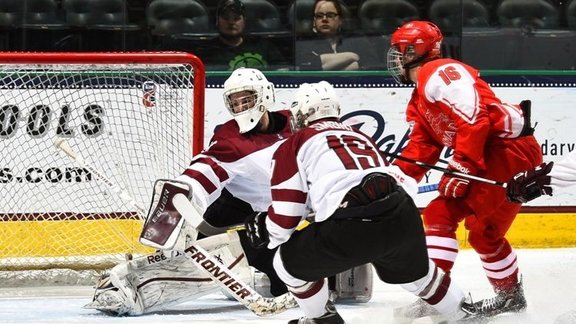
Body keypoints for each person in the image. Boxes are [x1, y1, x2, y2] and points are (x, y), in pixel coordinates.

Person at [86, 68, 371, 315]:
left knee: (344, 283)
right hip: (237, 209)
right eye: (235, 102)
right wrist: (180, 201)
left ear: (264, 95)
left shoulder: (295, 123)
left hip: (283, 213)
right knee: (206, 257)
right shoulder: (230, 139)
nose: (242, 106)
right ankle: (132, 286)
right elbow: (202, 171)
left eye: (247, 98)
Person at [245, 81, 485, 323]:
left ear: (301, 114)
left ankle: (321, 320)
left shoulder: (293, 144)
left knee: (285, 264)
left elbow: (286, 218)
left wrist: (267, 230)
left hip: (352, 224)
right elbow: (394, 182)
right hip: (401, 212)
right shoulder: (360, 136)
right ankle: (465, 315)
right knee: (419, 278)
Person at [386, 20, 543, 319]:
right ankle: (439, 295)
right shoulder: (419, 98)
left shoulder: (440, 71)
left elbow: (473, 115)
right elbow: (423, 146)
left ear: (413, 51)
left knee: (481, 231)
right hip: (487, 152)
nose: (395, 58)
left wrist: (462, 164)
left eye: (399, 51)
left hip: (506, 151)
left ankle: (506, 296)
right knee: (443, 216)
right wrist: (394, 178)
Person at [196, 0, 290, 71]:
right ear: (217, 21)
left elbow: (283, 73)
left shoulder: (264, 46)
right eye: (226, 18)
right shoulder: (207, 52)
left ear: (244, 21)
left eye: (236, 18)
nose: (231, 22)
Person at [295, 0, 381, 71]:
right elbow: (308, 67)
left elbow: (373, 67)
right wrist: (353, 56)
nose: (324, 19)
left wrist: (328, 66)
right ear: (314, 21)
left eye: (330, 15)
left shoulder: (357, 40)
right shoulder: (304, 42)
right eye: (319, 16)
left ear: (340, 20)